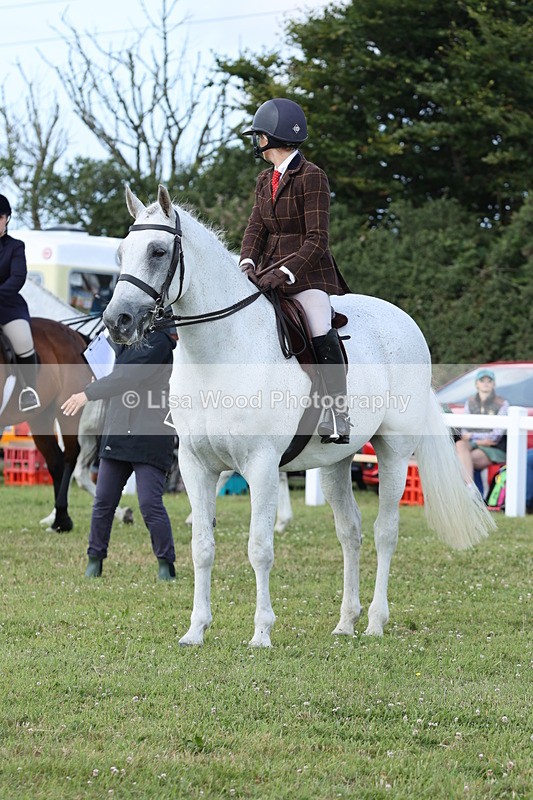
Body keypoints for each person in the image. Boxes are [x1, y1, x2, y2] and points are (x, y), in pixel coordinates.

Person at [239, 97, 353, 444]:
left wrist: (287, 272)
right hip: (268, 273)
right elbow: (256, 227)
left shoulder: (312, 176)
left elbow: (318, 239)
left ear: (270, 138)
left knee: (318, 325)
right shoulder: (265, 179)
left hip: (307, 274)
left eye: (258, 135)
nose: (257, 141)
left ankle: (337, 412)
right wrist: (247, 263)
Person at [61, 326, 177, 580]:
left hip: (150, 435)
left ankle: (166, 564)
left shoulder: (159, 342)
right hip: (117, 431)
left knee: (149, 504)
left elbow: (127, 377)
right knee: (103, 501)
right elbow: (113, 372)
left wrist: (87, 394)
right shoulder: (123, 336)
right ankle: (94, 559)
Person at [0, 193, 41, 411]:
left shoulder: (15, 247)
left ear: (7, 219)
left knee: (22, 340)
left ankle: (29, 391)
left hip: (7, 306)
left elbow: (17, 278)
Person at [455, 368, 508, 487]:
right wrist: (479, 440)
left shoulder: (502, 404)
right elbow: (465, 430)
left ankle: (471, 489)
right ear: (476, 384)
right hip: (475, 443)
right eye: (482, 380)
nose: (485, 383)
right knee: (459, 445)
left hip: (494, 448)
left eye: (489, 381)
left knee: (461, 459)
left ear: (494, 384)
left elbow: (495, 436)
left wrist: (473, 436)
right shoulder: (470, 402)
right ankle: (471, 488)